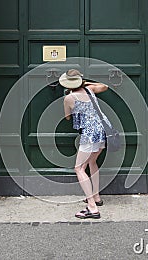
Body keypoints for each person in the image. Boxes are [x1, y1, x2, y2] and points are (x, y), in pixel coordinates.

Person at [61, 69, 110, 219]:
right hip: (102, 129)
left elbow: (68, 117)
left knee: (79, 168)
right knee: (92, 162)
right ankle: (96, 197)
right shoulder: (90, 89)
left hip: (89, 133)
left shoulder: (69, 98)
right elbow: (105, 86)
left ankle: (92, 207)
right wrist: (86, 83)